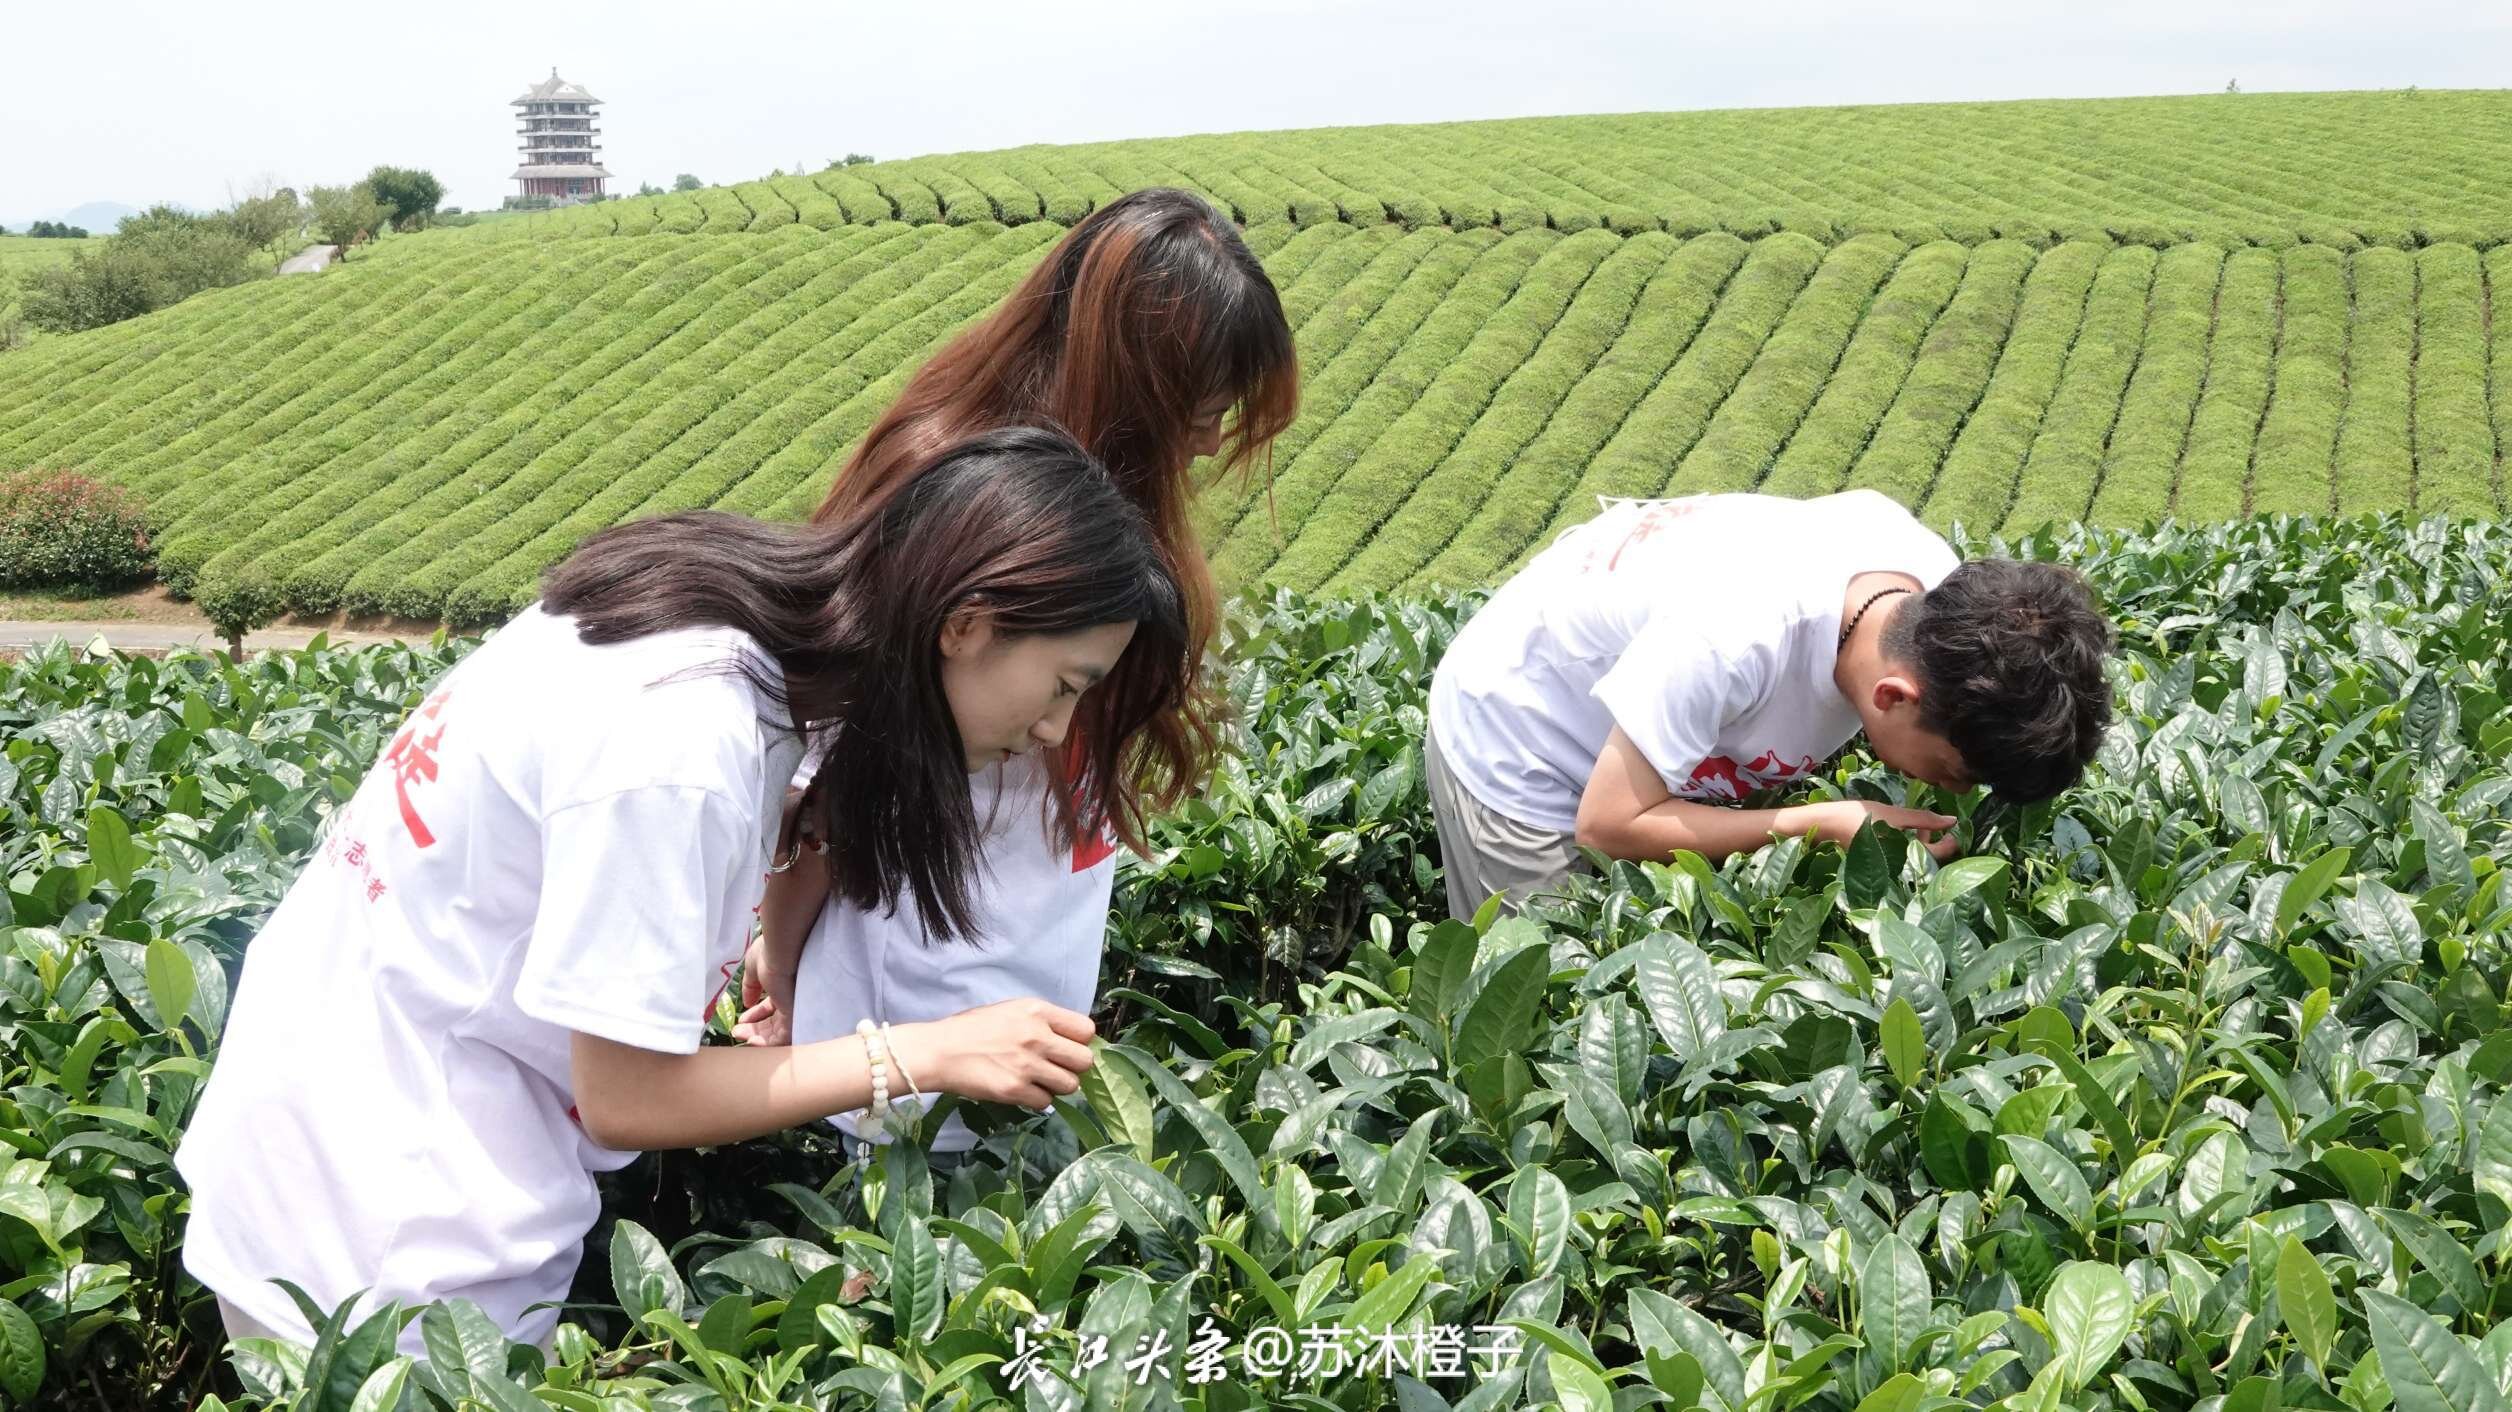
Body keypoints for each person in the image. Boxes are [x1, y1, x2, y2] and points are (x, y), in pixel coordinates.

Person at [171, 428, 1191, 1352]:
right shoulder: (683, 740)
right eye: (1066, 683)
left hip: (321, 1142)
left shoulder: (704, 608)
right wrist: (931, 1049)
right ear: (967, 622)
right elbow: (628, 1095)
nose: (1059, 731)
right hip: (383, 1239)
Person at [731, 188, 1299, 1164]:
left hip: (1023, 976)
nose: (1211, 441)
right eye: (1203, 408)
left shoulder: (1098, 508)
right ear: (1139, 384)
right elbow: (832, 783)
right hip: (917, 1005)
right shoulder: (946, 496)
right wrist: (779, 954)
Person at [1423, 489, 2115, 921]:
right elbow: (1607, 825)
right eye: (1956, 772)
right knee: (1545, 1006)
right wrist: (1820, 822)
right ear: (1893, 696)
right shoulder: (1734, 636)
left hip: (1645, 709)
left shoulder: (1931, 591)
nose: (1955, 790)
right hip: (1521, 735)